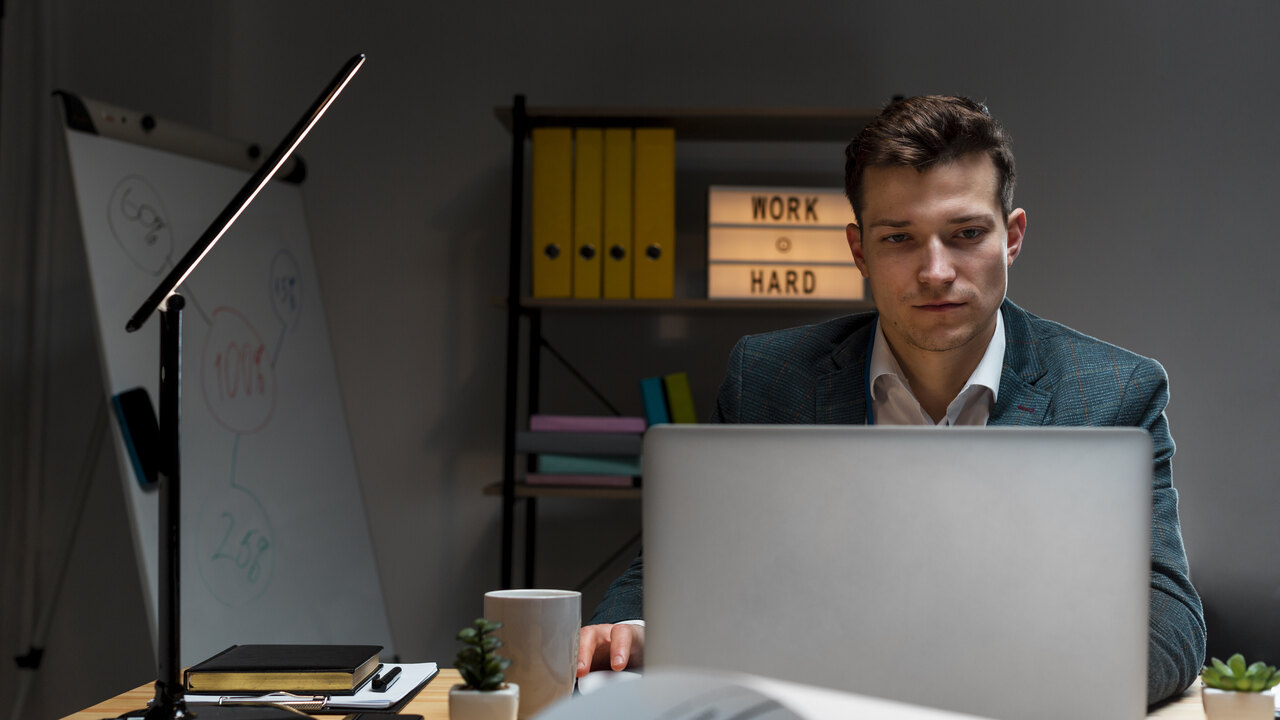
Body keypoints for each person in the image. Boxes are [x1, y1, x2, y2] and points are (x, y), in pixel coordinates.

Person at [576, 95, 1207, 705]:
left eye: (965, 233)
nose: (935, 271)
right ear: (859, 251)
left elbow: (1171, 615)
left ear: (1011, 237)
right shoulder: (767, 377)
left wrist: (1027, 686)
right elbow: (675, 567)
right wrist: (624, 623)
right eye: (899, 239)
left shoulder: (1117, 391)